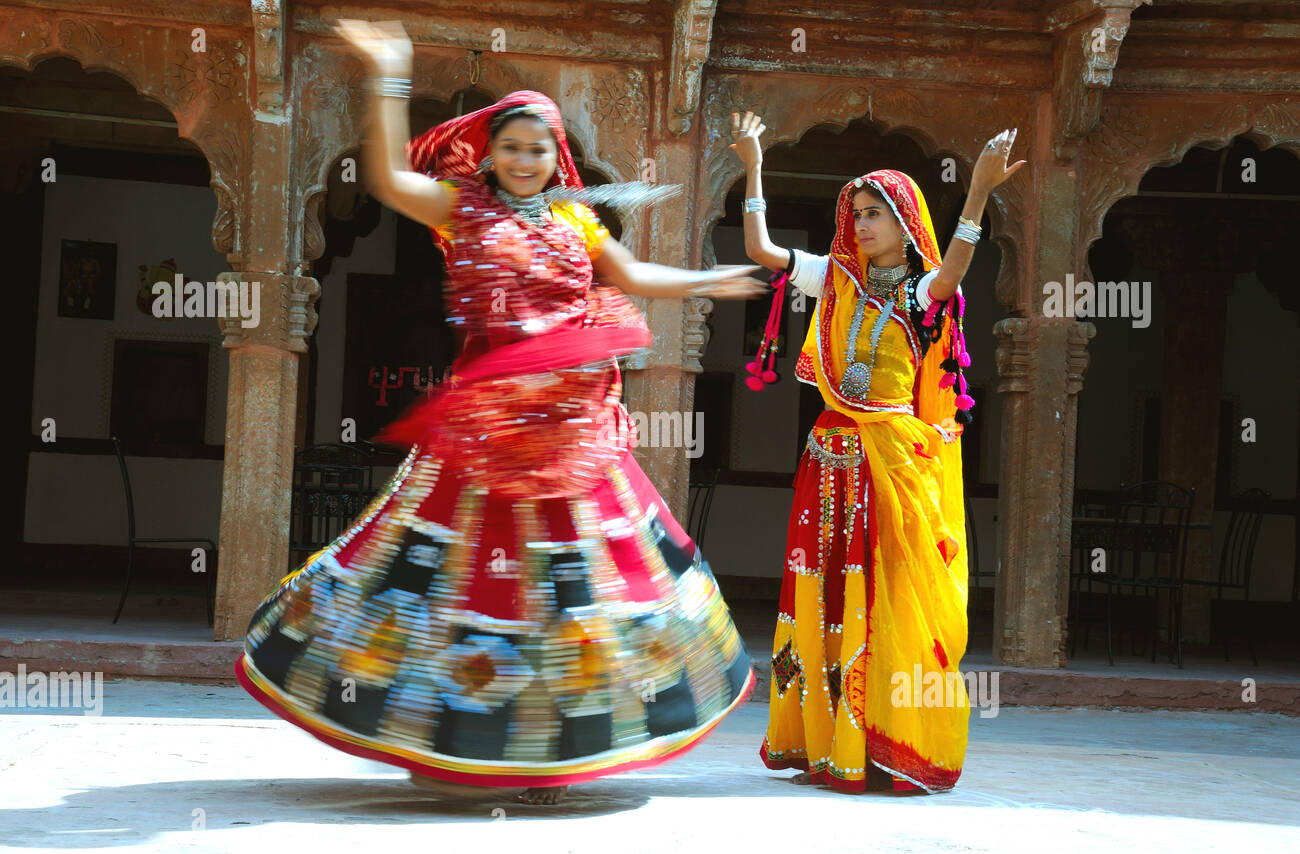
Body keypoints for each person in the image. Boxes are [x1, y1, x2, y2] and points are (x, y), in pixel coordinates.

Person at [235, 19, 764, 807]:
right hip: (482, 440)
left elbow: (633, 276)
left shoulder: (577, 223)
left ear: (559, 160)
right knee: (454, 591)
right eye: (511, 147)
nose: (524, 160)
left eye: (539, 149)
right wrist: (392, 71)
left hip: (572, 440)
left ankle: (550, 757)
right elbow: (386, 177)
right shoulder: (460, 212)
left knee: (569, 597)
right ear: (490, 154)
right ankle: (448, 741)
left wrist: (706, 282)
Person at [730, 111, 1024, 793]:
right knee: (822, 594)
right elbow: (764, 248)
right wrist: (753, 166)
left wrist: (978, 191)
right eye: (856, 213)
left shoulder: (922, 293)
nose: (861, 225)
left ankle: (878, 743)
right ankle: (823, 744)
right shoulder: (835, 279)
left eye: (876, 214)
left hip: (886, 468)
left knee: (880, 598)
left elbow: (955, 268)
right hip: (826, 460)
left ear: (905, 221)